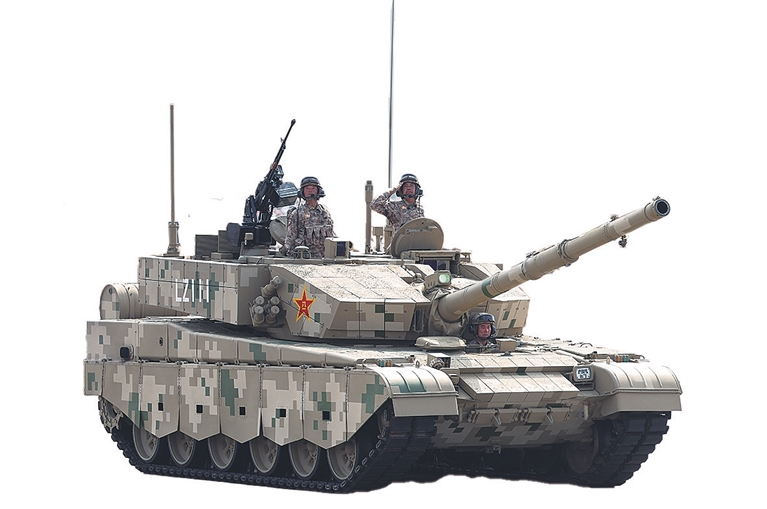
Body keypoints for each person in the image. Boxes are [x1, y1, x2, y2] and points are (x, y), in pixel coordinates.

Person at [283, 176, 336, 258]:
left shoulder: (324, 212)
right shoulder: (297, 213)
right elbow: (291, 237)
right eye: (307, 188)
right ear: (302, 192)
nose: (310, 190)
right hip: (305, 259)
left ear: (318, 191)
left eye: (313, 188)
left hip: (324, 258)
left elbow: (331, 234)